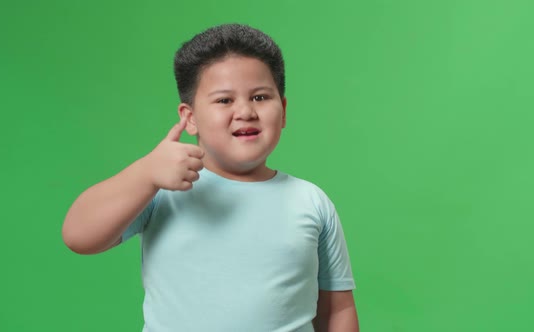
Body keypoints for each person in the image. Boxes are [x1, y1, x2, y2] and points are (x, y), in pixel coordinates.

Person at [62, 23, 359, 332]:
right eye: (224, 100)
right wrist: (144, 172)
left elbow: (336, 309)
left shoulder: (310, 201)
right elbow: (79, 236)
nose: (245, 111)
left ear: (283, 111)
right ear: (190, 118)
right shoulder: (163, 189)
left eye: (260, 97)